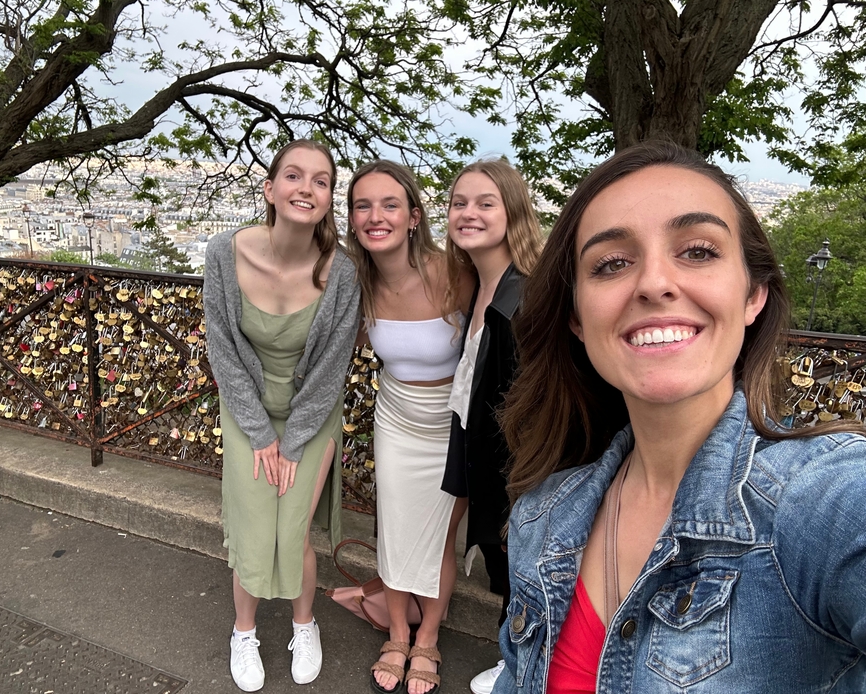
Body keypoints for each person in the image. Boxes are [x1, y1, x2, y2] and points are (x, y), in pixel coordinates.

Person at [491, 140, 866, 693]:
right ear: (575, 316)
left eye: (697, 251)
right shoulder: (542, 516)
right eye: (612, 263)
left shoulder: (818, 501)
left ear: (753, 294)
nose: (653, 283)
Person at [203, 139, 360, 692]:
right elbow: (221, 345)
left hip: (310, 418)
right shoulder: (225, 252)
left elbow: (330, 370)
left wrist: (291, 444)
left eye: (320, 181)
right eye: (293, 175)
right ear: (270, 190)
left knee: (291, 529)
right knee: (252, 524)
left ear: (327, 199)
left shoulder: (341, 272)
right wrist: (257, 434)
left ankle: (303, 621)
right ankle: (244, 632)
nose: (306, 187)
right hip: (247, 408)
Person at [346, 160, 472, 694]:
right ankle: (398, 631)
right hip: (396, 416)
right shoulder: (357, 283)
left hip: (453, 419)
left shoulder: (455, 274)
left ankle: (428, 639)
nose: (376, 216)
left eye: (390, 204)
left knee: (441, 536)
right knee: (395, 531)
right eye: (362, 205)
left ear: (414, 216)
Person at [438, 159, 544, 694]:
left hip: (514, 461)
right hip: (475, 439)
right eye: (460, 203)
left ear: (513, 212)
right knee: (500, 557)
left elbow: (531, 401)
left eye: (485, 203)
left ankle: (521, 666)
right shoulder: (480, 285)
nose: (469, 213)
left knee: (512, 558)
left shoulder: (523, 296)